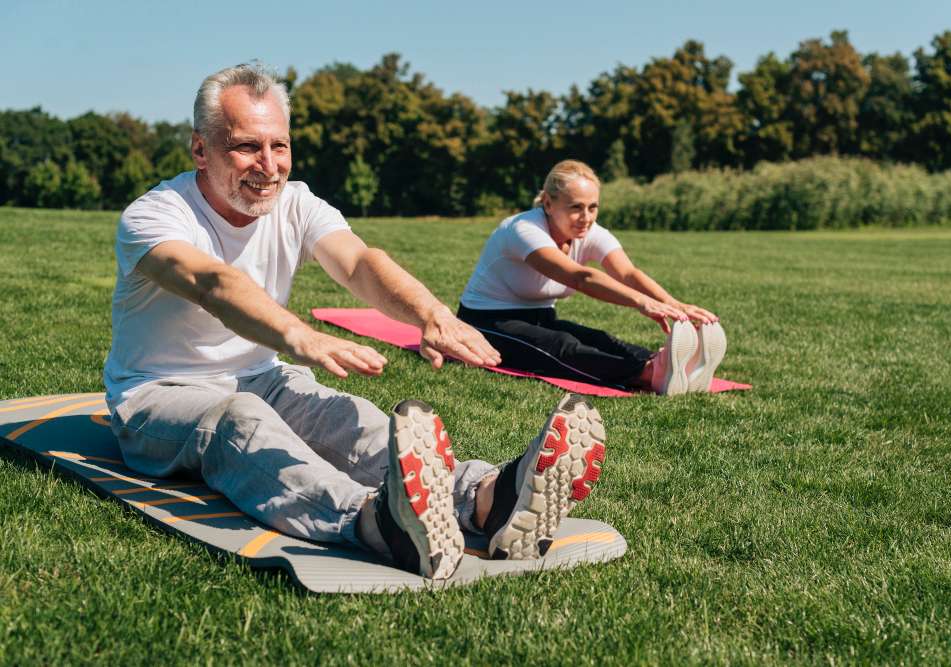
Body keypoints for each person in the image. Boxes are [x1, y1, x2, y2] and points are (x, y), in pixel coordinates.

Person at [102, 63, 607, 580]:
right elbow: (213, 283)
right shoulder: (155, 216)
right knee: (239, 423)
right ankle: (375, 521)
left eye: (280, 146)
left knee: (348, 418)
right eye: (246, 147)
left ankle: (486, 500)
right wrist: (298, 335)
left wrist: (430, 315)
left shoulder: (295, 202)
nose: (269, 165)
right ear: (200, 150)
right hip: (159, 394)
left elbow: (360, 262)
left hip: (264, 378)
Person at [457, 160, 727, 396]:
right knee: (562, 347)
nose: (585, 218)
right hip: (486, 322)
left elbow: (627, 273)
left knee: (597, 338)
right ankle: (647, 374)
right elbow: (580, 278)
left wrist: (675, 305)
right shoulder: (523, 230)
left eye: (593, 207)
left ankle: (667, 365)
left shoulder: (589, 231)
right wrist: (641, 302)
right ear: (549, 204)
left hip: (539, 316)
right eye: (576, 207)